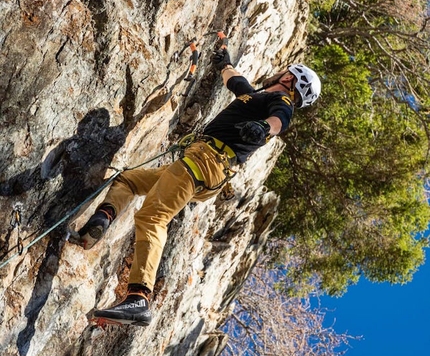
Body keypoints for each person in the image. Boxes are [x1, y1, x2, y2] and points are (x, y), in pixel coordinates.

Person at [70, 48, 321, 326]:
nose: (280, 73)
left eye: (286, 72)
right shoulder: (258, 97)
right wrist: (225, 64)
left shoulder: (281, 100)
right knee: (129, 179)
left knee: (153, 217)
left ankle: (139, 298)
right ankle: (102, 219)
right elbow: (238, 83)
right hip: (204, 168)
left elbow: (280, 121)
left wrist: (264, 128)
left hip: (206, 161)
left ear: (290, 80)